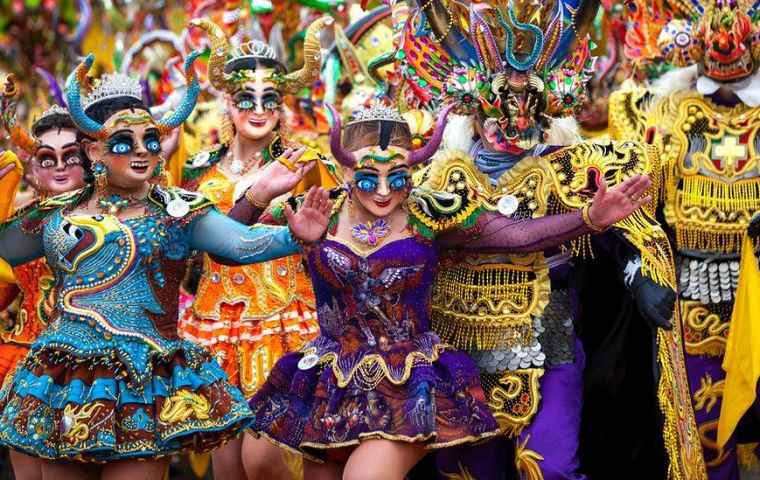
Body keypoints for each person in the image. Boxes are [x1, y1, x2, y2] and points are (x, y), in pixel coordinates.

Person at [229, 100, 655, 480]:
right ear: (344, 171)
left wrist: (590, 217)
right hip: (332, 379)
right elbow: (229, 248)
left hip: (406, 381)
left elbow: (514, 235)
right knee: (260, 458)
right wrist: (260, 196)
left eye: (396, 177)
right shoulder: (318, 214)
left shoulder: (428, 215)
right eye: (367, 177)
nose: (382, 191)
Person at [397, 1, 705, 477]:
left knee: (551, 469)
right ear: (473, 108)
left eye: (528, 109)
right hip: (461, 342)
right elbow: (496, 235)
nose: (515, 122)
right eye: (501, 110)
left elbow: (622, 234)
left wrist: (639, 274)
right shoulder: (445, 174)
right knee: (468, 472)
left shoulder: (569, 166)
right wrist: (588, 217)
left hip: (548, 335)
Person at [0, 50, 332, 480]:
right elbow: (7, 248)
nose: (142, 152)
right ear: (94, 150)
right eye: (125, 143)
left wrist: (293, 235)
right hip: (65, 377)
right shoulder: (57, 214)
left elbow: (240, 244)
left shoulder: (175, 210)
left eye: (151, 141)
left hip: (145, 381)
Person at [180, 17, 339, 480]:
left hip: (285, 317)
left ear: (282, 105)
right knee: (228, 468)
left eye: (269, 98)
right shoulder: (197, 169)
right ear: (227, 103)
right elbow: (193, 247)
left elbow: (331, 236)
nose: (257, 108)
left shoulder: (305, 165)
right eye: (245, 99)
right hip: (215, 324)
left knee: (264, 458)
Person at [610, 0, 760, 475]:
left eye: (745, 90)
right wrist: (638, 276)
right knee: (704, 433)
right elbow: (631, 211)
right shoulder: (666, 116)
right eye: (722, 87)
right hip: (693, 294)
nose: (733, 101)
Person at [0, 76, 87, 480]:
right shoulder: (18, 220)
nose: (60, 167)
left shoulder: (112, 217)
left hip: (93, 367)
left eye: (71, 156)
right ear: (33, 165)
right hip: (26, 365)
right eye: (47, 158)